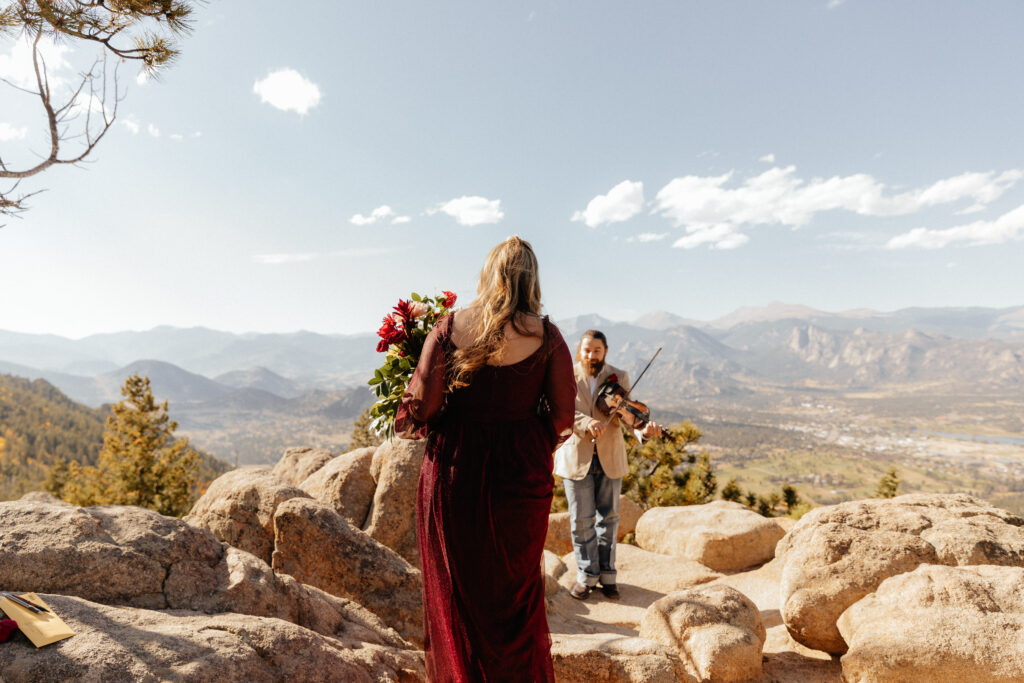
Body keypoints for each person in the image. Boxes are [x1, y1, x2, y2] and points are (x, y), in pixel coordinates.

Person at [394, 236, 576, 682]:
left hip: (457, 473)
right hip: (519, 479)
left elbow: (424, 407)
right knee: (515, 598)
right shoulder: (548, 337)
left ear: (488, 274)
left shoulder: (449, 327)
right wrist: (525, 438)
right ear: (532, 278)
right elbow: (564, 416)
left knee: (457, 592)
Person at [554, 330, 660, 600]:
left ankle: (608, 576)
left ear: (605, 351)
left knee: (609, 519)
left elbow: (628, 416)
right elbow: (562, 411)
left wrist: (644, 431)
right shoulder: (566, 374)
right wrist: (585, 423)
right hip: (576, 456)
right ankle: (586, 576)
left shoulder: (619, 377)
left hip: (610, 456)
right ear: (580, 350)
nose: (592, 355)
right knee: (580, 521)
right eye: (587, 350)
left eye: (597, 350)